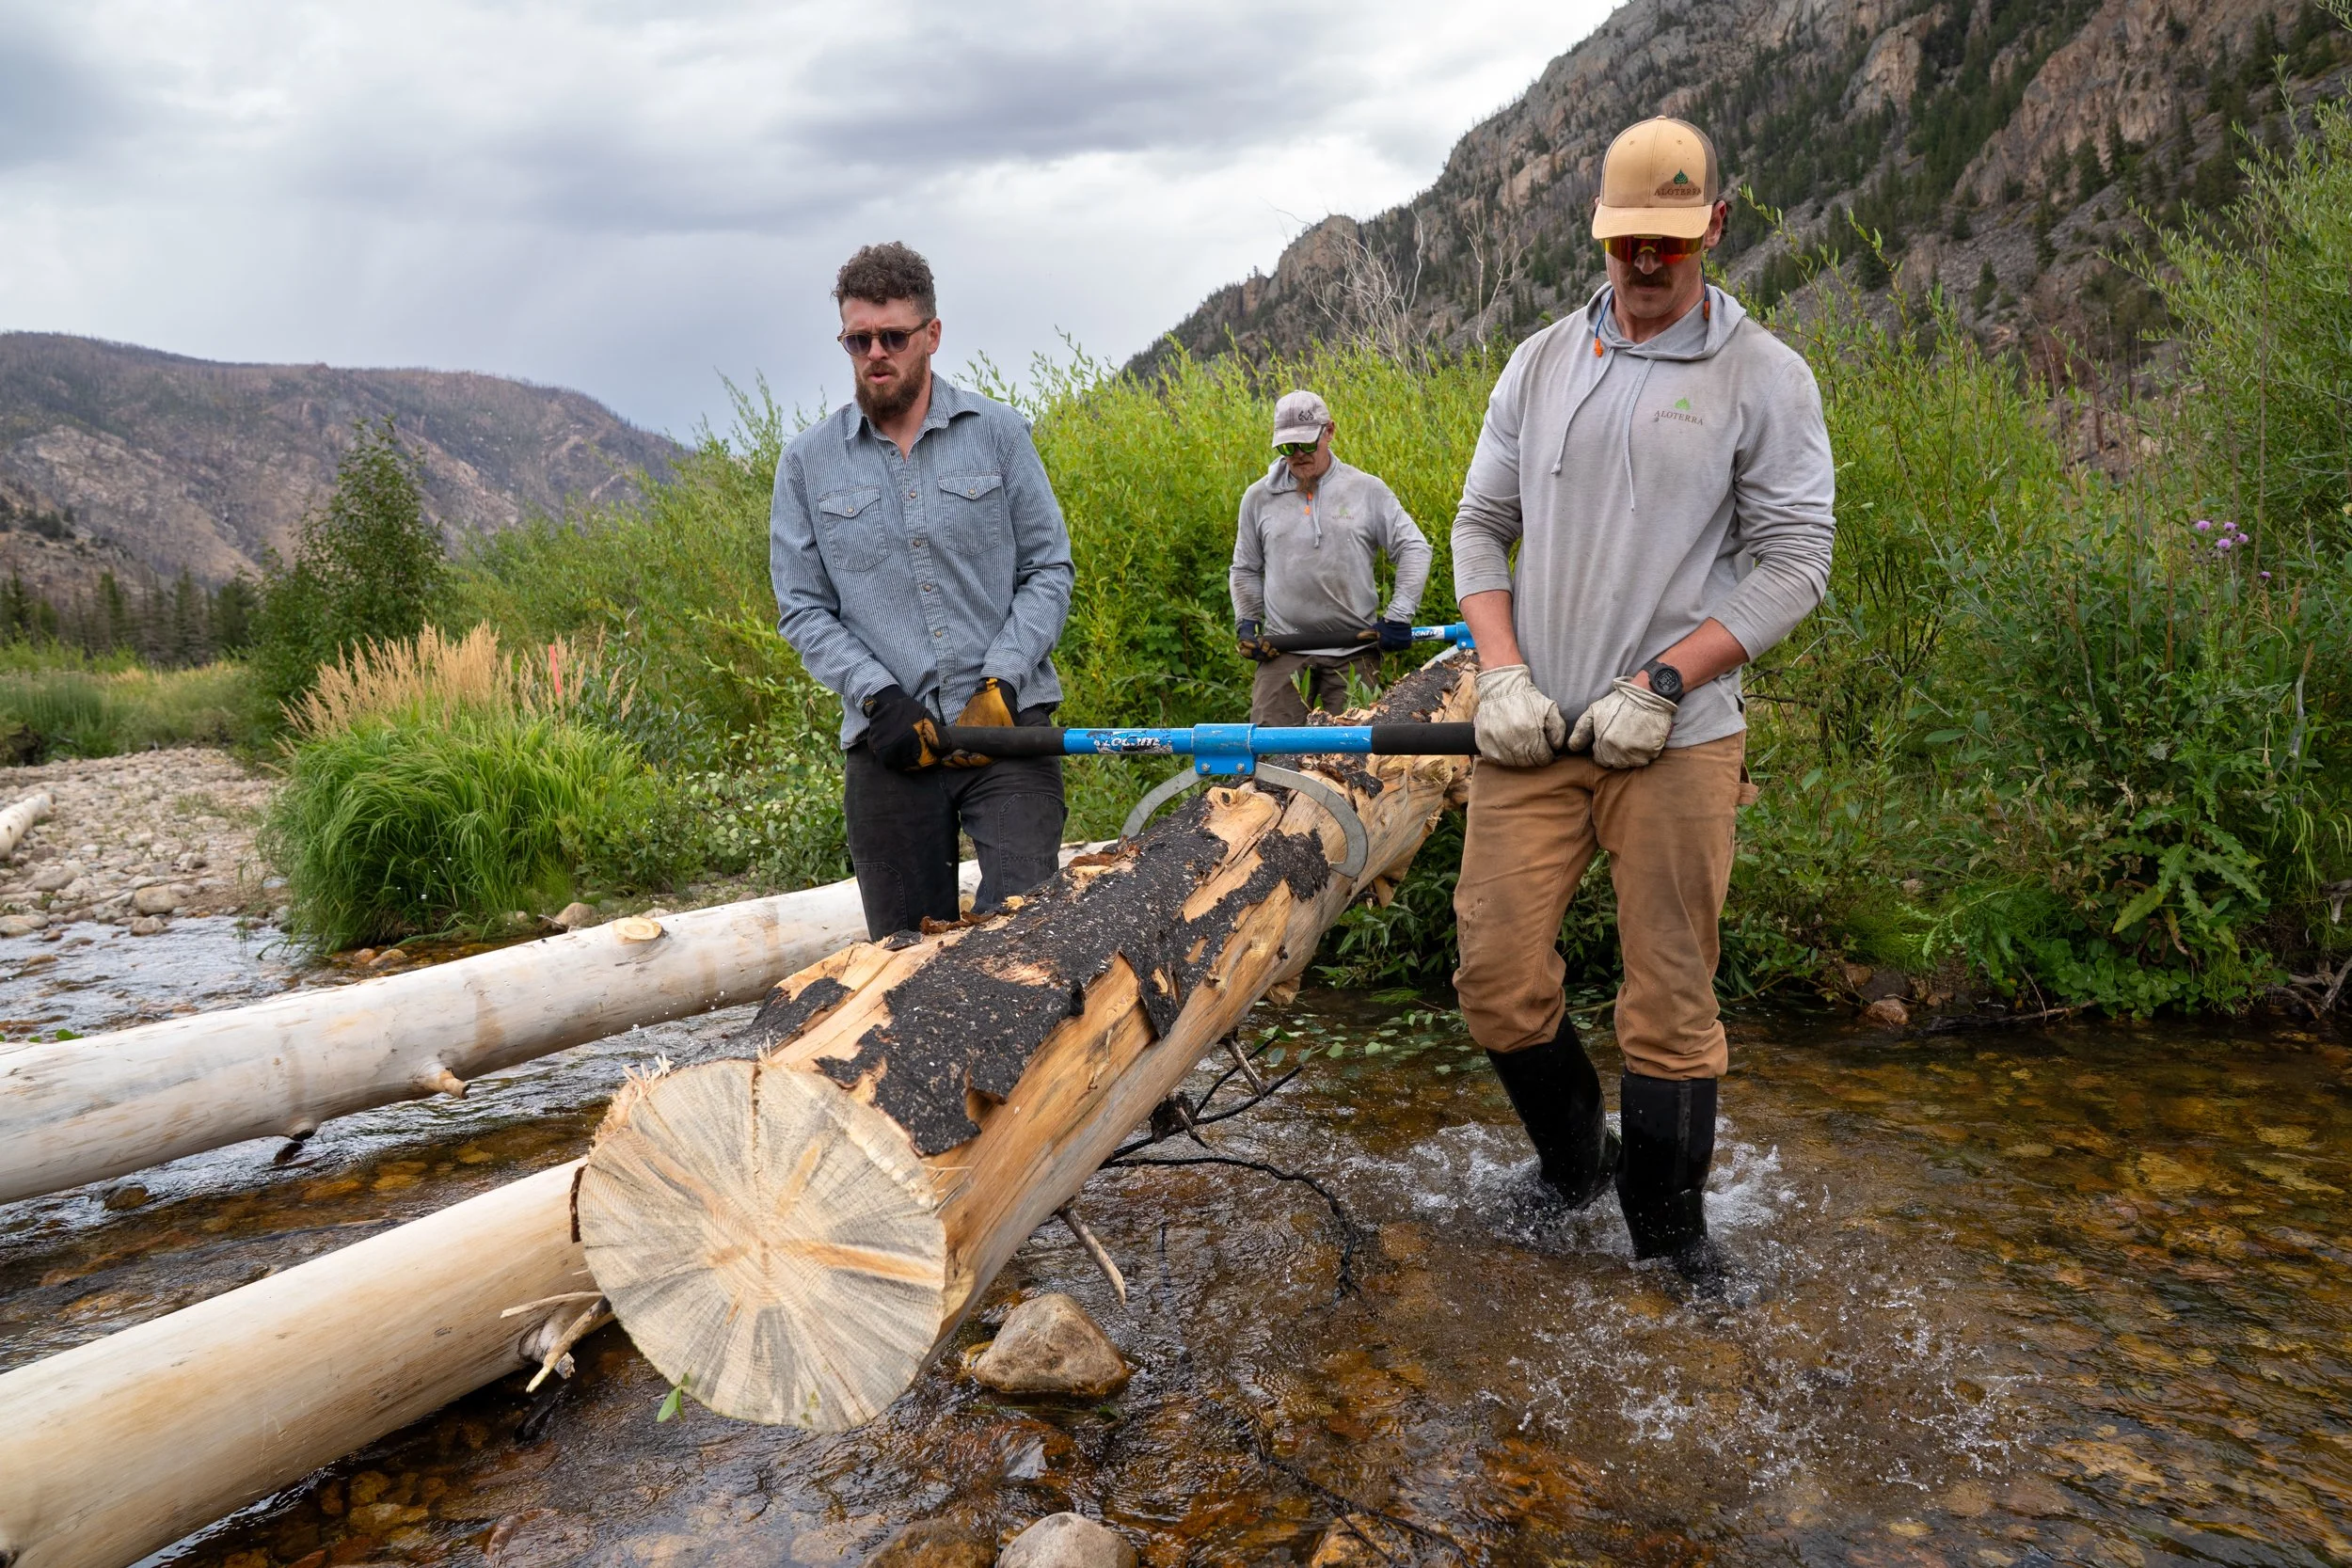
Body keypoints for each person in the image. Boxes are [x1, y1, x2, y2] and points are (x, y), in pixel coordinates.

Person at [1448, 118, 1836, 1288]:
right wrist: (1502, 670)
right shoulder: (1540, 361)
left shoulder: (1762, 376)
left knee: (1667, 998)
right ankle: (1575, 1171)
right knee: (1495, 975)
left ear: (1714, 224)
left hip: (1676, 741)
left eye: (1670, 240)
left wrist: (1668, 677)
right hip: (1537, 733)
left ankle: (1672, 1249)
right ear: (1598, 231)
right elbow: (1479, 526)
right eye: (1628, 242)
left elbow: (1795, 559)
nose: (1648, 264)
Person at [770, 242, 1075, 940]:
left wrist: (1001, 678)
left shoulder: (998, 434)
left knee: (1026, 940)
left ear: (931, 335)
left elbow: (1049, 568)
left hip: (1009, 734)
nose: (876, 352)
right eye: (858, 339)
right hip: (888, 747)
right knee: (903, 969)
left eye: (893, 337)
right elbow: (802, 606)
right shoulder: (806, 465)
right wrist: (878, 696)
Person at [1230, 390, 1433, 724]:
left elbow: (1414, 548)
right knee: (1271, 758)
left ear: (1330, 432)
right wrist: (1247, 623)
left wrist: (1398, 617)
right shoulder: (1258, 498)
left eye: (1307, 444)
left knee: (1353, 761)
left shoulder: (1367, 490)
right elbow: (1245, 568)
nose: (1297, 455)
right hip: (1284, 650)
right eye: (1287, 447)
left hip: (1354, 650)